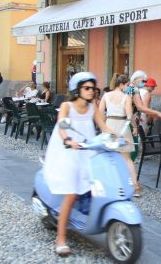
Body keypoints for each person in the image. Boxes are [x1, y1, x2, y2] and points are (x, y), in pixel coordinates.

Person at [42, 72, 116, 257]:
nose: (91, 91)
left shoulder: (93, 107)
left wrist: (116, 136)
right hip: (69, 152)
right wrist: (68, 140)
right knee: (72, 193)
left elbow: (103, 125)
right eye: (87, 88)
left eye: (93, 88)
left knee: (98, 184)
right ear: (77, 90)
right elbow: (63, 125)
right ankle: (61, 239)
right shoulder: (67, 106)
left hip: (87, 150)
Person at [99, 74, 141, 197]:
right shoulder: (126, 97)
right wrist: (135, 127)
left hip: (109, 125)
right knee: (127, 158)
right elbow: (130, 116)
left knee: (109, 156)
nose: (128, 87)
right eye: (127, 85)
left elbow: (101, 112)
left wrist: (104, 126)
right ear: (122, 84)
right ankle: (135, 186)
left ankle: (110, 184)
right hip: (122, 126)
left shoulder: (106, 95)